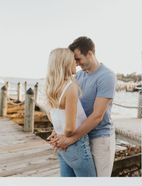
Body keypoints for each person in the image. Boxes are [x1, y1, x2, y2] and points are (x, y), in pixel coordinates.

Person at [49, 36, 116, 177]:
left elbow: (97, 116)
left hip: (99, 138)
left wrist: (70, 139)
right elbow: (66, 108)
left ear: (90, 53)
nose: (77, 63)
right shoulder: (78, 76)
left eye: (78, 59)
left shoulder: (107, 76)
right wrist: (57, 131)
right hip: (80, 137)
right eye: (74, 60)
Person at [45, 48, 96, 177]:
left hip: (62, 147)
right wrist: (67, 136)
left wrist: (58, 134)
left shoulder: (51, 88)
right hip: (76, 145)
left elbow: (53, 117)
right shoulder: (70, 87)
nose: (76, 63)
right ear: (65, 63)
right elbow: (69, 129)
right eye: (73, 60)